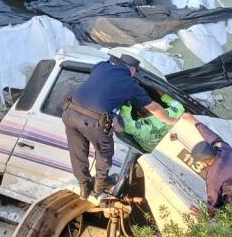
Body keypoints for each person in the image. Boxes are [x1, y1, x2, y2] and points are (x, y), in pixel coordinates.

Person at [63, 54, 175, 199]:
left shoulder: (101, 66)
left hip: (70, 112)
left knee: (77, 151)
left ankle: (84, 186)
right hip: (93, 121)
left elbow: (101, 81)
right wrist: (171, 121)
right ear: (133, 70)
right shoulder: (129, 83)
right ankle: (100, 185)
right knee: (104, 152)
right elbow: (154, 108)